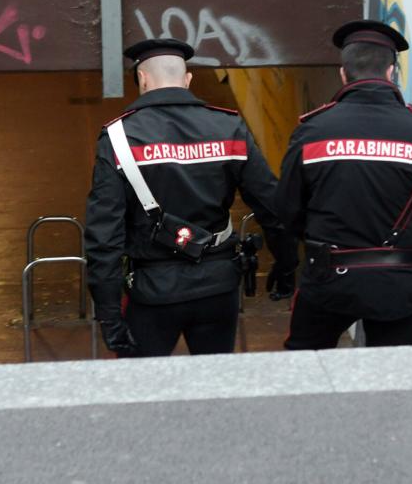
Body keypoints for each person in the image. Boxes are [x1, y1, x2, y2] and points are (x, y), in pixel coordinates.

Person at [84, 38, 297, 357]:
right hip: (218, 287)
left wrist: (109, 312)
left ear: (142, 79)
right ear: (187, 80)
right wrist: (286, 264)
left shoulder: (118, 139)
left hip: (153, 292)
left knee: (142, 391)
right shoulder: (229, 128)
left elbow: (104, 237)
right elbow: (272, 206)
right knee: (214, 384)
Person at [276, 20, 412, 349]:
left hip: (327, 280)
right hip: (399, 283)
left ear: (344, 74)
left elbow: (288, 209)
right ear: (392, 72)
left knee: (304, 369)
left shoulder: (312, 131)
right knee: (390, 378)